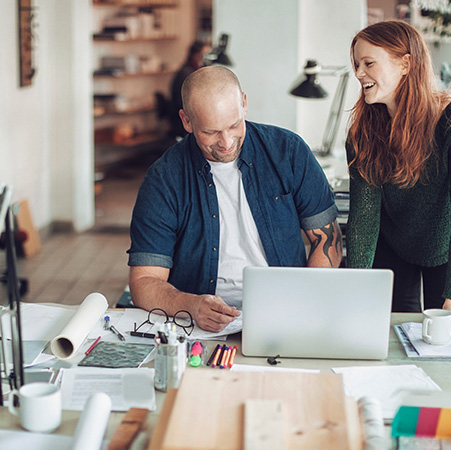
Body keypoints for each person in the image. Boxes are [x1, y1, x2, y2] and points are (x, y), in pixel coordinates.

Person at [128, 66, 342, 332]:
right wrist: (191, 305)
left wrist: (302, 300)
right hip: (197, 325)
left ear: (243, 103)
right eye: (211, 132)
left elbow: (328, 240)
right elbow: (144, 280)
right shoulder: (164, 179)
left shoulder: (289, 152)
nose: (227, 142)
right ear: (186, 121)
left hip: (285, 314)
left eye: (233, 125)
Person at [345, 20, 451, 332]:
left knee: (446, 342)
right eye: (356, 64)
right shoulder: (363, 131)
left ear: (405, 64)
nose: (358, 73)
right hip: (394, 246)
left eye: (368, 63)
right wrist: (354, 287)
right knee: (389, 336)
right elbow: (363, 221)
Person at [168, 40, 210, 139]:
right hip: (183, 123)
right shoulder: (187, 74)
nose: (207, 60)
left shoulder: (195, 71)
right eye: (204, 56)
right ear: (195, 55)